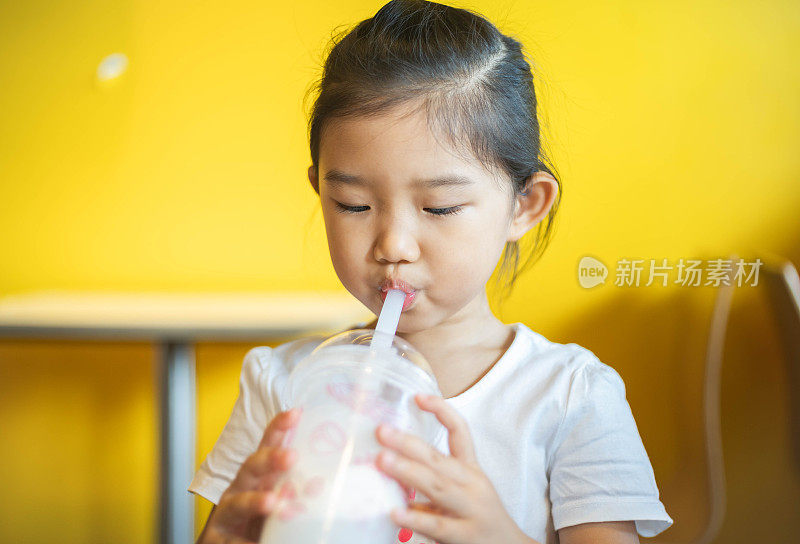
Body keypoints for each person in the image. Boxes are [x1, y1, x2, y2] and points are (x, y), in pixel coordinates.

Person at [188, 1, 673, 543]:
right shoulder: (284, 386)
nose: (392, 245)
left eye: (439, 208)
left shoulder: (569, 398)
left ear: (523, 205)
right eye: (352, 204)